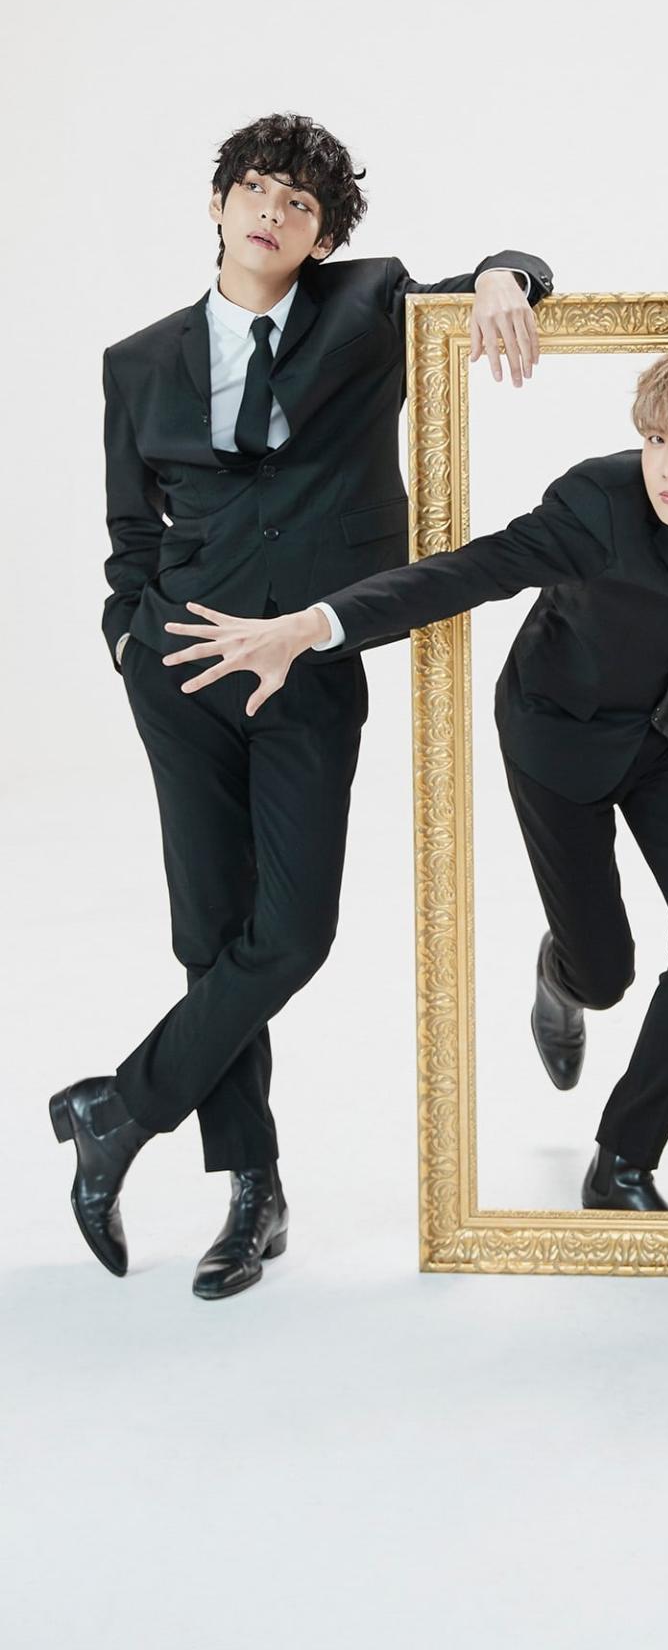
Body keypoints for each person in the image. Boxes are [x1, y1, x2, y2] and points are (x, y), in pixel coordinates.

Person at [51, 111, 552, 1299]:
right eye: (257, 190)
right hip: (182, 669)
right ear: (219, 203)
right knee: (208, 935)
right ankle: (253, 1191)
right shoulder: (138, 360)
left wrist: (504, 276)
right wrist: (128, 635)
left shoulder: (368, 307)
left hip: (312, 661)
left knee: (291, 934)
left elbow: (512, 268)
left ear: (323, 238)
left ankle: (119, 1110)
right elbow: (130, 530)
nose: (272, 212)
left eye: (300, 204)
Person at [159, 348, 668, 1210]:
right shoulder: (598, 502)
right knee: (605, 976)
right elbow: (470, 572)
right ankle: (562, 974)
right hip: (556, 734)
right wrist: (312, 626)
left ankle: (623, 1159)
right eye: (656, 439)